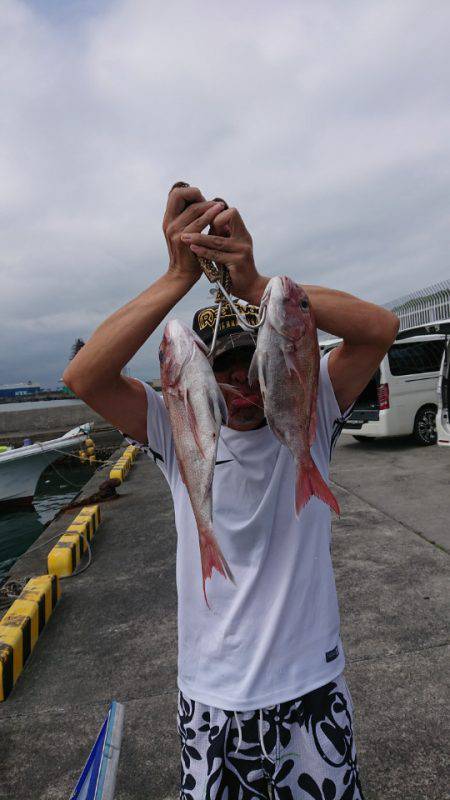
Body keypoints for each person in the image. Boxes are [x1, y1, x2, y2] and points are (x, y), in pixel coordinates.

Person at [63, 184, 399, 799]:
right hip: (211, 695)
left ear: (276, 364)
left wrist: (255, 283)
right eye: (219, 373)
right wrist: (176, 275)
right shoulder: (174, 425)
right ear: (196, 384)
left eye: (249, 366)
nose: (239, 385)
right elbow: (84, 377)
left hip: (310, 687)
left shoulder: (310, 410)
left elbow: (381, 328)